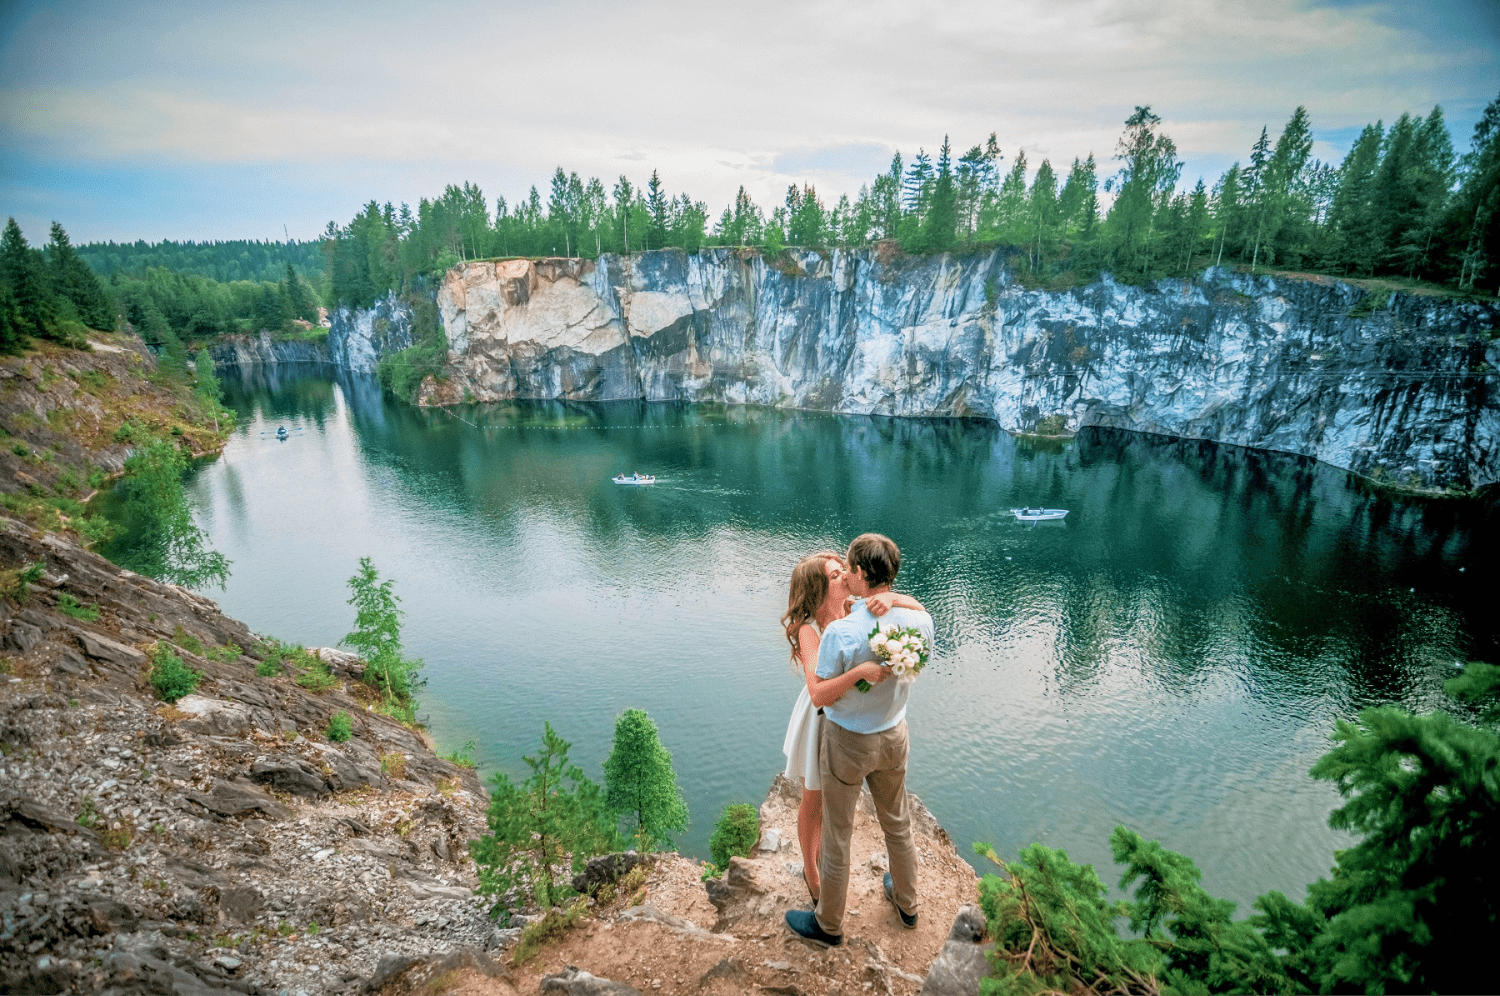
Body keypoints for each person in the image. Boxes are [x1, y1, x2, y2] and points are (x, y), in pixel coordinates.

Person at [786, 533, 934, 947]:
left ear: (859, 574)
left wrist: (858, 670)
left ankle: (829, 924)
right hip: (893, 735)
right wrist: (897, 600)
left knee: (838, 835)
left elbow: (824, 690)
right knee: (898, 824)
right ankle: (907, 904)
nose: (844, 576)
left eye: (846, 569)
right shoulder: (919, 621)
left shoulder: (843, 632)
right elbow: (920, 619)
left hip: (848, 741)